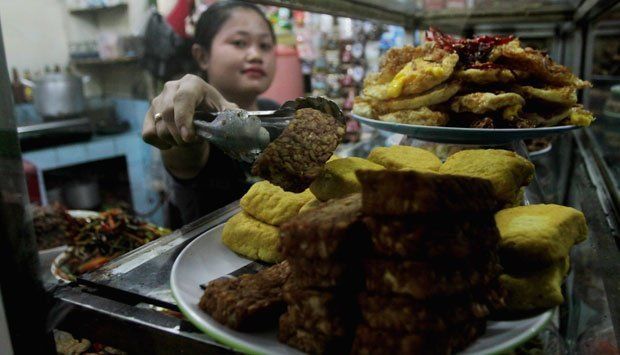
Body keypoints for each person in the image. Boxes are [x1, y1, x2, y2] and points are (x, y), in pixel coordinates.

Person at [142, 1, 278, 228]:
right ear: (202, 56)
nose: (255, 54)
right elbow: (185, 152)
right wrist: (181, 119)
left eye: (264, 45)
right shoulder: (201, 124)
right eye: (239, 42)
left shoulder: (274, 111)